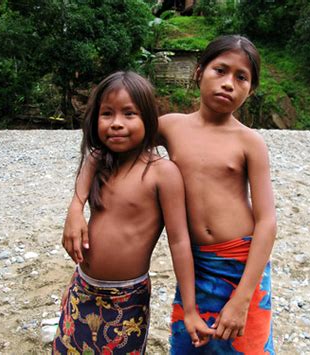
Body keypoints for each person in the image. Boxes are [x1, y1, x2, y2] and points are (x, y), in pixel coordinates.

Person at [64, 35, 277, 354]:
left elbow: (267, 222)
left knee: (245, 343)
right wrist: (77, 205)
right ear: (198, 72)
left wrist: (244, 295)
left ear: (251, 89)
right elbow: (101, 151)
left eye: (241, 77)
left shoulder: (250, 142)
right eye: (220, 70)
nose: (228, 83)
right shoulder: (171, 127)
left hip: (241, 262)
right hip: (195, 264)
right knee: (193, 341)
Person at [54, 71, 212, 354]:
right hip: (82, 287)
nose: (116, 124)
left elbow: (179, 242)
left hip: (127, 298)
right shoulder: (99, 160)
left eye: (129, 114)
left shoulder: (162, 174)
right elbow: (87, 165)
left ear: (149, 119)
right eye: (107, 114)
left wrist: (190, 309)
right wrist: (75, 208)